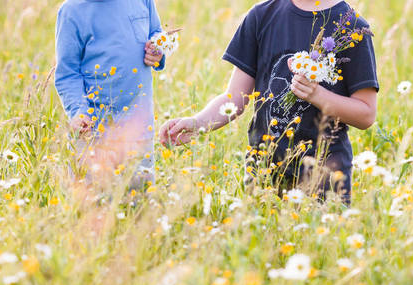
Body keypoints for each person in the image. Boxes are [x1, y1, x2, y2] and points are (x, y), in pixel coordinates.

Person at [159, 0, 379, 203]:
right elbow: (235, 97)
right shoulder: (262, 16)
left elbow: (366, 113)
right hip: (264, 173)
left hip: (325, 178)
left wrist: (317, 96)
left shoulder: (352, 28)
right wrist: (197, 123)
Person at [54, 0, 166, 190]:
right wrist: (78, 111)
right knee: (94, 204)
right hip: (93, 132)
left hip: (138, 129)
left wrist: (159, 51)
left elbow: (157, 33)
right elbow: (67, 73)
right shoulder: (72, 11)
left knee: (138, 203)